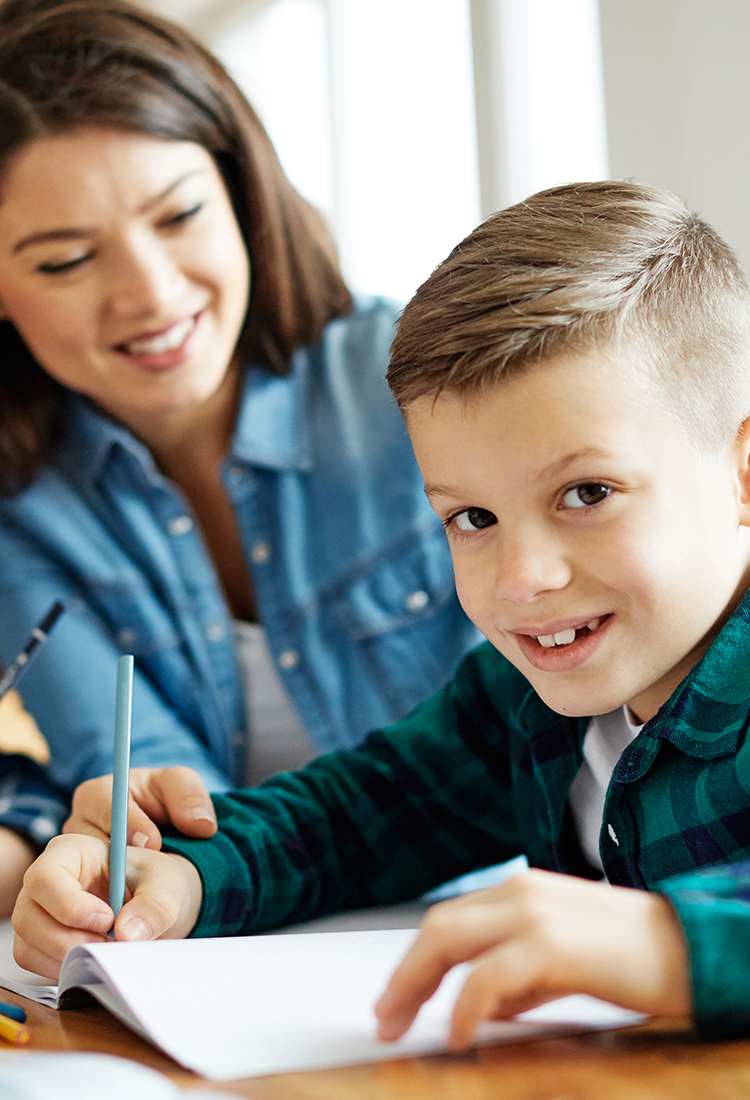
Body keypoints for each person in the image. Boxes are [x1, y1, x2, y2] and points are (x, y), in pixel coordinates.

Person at [16, 180, 750, 1045]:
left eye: (587, 493)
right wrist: (180, 878)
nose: (523, 578)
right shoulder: (513, 698)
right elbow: (355, 818)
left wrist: (673, 946)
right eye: (471, 518)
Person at [0, 0, 478, 850]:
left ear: (241, 195)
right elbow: (160, 805)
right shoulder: (20, 509)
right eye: (67, 259)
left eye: (180, 216)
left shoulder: (419, 382)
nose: (150, 293)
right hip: (240, 930)